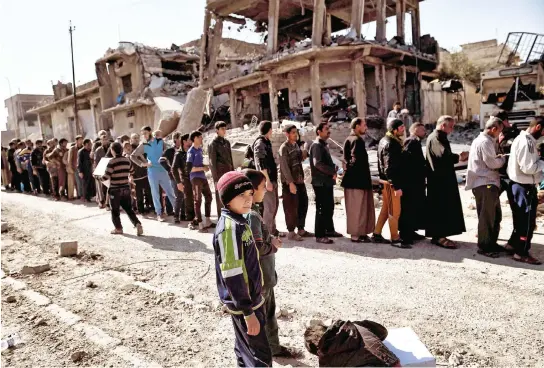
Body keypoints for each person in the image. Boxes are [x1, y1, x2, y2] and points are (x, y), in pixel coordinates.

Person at [212, 171, 272, 367]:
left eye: (250, 194)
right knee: (259, 358)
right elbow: (233, 275)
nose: (248, 200)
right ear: (227, 200)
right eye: (241, 196)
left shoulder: (240, 220)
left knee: (245, 351)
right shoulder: (229, 229)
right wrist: (247, 312)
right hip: (245, 305)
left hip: (250, 301)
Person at [244, 169, 298, 358]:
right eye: (262, 187)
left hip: (265, 276)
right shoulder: (251, 215)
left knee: (268, 314)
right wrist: (273, 245)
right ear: (251, 190)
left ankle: (272, 348)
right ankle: (266, 351)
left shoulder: (252, 212)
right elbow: (257, 248)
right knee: (264, 316)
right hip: (262, 277)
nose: (266, 190)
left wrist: (270, 238)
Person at [465, 117, 507, 258]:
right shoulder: (484, 142)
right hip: (485, 183)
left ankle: (491, 243)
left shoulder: (484, 141)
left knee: (495, 216)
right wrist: (502, 159)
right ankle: (484, 246)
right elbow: (492, 163)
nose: (499, 134)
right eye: (499, 131)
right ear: (494, 129)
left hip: (487, 183)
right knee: (487, 217)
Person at [506, 116, 544, 265]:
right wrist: (542, 163)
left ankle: (513, 245)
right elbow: (528, 168)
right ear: (539, 127)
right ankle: (521, 252)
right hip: (523, 187)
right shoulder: (526, 142)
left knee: (520, 220)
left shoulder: (525, 140)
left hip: (521, 186)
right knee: (527, 222)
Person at [426, 115, 468, 249]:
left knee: (443, 207)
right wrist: (460, 157)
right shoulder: (436, 138)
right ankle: (439, 236)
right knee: (441, 208)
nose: (452, 129)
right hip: (439, 180)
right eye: (451, 126)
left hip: (442, 178)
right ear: (443, 125)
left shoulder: (439, 137)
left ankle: (438, 235)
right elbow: (443, 155)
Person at [131, 127, 177, 222]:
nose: (144, 135)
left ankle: (178, 211)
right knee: (155, 193)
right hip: (152, 171)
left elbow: (171, 149)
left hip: (163, 170)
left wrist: (168, 161)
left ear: (150, 132)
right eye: (143, 134)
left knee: (170, 192)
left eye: (146, 133)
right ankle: (159, 214)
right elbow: (132, 156)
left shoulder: (160, 141)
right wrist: (142, 164)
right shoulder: (144, 144)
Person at [373, 119, 407, 248]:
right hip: (391, 183)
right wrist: (396, 186)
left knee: (386, 208)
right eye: (401, 127)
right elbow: (389, 168)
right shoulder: (391, 144)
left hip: (386, 182)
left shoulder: (385, 140)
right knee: (394, 211)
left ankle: (377, 233)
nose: (403, 129)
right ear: (394, 130)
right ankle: (395, 238)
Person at [341, 118, 375, 243]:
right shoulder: (355, 140)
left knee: (361, 209)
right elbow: (353, 161)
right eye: (364, 125)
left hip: (358, 181)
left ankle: (361, 233)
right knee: (356, 209)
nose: (366, 128)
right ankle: (356, 235)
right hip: (356, 182)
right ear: (356, 126)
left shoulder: (353, 139)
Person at [101, 142, 143, 236]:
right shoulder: (127, 160)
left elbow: (106, 176)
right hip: (125, 188)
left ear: (112, 151)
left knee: (115, 211)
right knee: (129, 209)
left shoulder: (111, 162)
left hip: (115, 189)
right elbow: (132, 171)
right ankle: (137, 224)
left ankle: (118, 228)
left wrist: (98, 177)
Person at [278, 124, 312, 241]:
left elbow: (300, 159)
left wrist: (304, 152)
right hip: (290, 183)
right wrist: (291, 183)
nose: (295, 134)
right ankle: (291, 232)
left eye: (295, 132)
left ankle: (301, 229)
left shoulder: (296, 145)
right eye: (292, 132)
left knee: (303, 204)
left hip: (299, 180)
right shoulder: (284, 148)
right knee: (291, 207)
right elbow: (284, 167)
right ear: (287, 134)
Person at [309, 122, 341, 244]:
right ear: (319, 131)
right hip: (320, 182)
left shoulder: (323, 145)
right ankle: (320, 235)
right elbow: (318, 164)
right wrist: (331, 171)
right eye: (326, 129)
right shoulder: (317, 145)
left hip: (326, 182)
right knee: (322, 208)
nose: (329, 131)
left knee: (329, 207)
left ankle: (329, 230)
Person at [398, 122, 428, 245]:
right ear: (415, 130)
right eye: (422, 130)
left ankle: (411, 231)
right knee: (409, 207)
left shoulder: (414, 141)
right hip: (411, 182)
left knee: (415, 207)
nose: (425, 132)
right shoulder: (411, 142)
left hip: (415, 181)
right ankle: (405, 233)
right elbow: (409, 162)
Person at [254, 121, 283, 237]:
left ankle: (272, 230)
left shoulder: (266, 142)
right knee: (269, 207)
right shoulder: (260, 143)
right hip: (266, 180)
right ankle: (268, 234)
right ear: (269, 130)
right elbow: (261, 165)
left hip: (272, 179)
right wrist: (267, 181)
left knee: (274, 206)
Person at [187, 130, 214, 230]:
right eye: (200, 137)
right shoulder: (191, 152)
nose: (202, 139)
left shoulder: (200, 150)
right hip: (195, 178)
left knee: (209, 197)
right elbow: (190, 168)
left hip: (203, 177)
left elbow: (199, 164)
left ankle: (208, 220)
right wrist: (203, 168)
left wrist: (206, 166)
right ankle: (200, 223)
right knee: (197, 200)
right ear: (195, 138)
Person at [208, 121, 234, 217]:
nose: (224, 131)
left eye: (225, 128)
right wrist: (215, 179)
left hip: (228, 173)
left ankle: (230, 217)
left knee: (229, 196)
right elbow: (212, 163)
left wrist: (233, 172)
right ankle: (222, 219)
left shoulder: (226, 142)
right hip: (219, 174)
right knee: (220, 197)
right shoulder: (213, 144)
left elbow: (230, 159)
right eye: (222, 129)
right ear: (217, 130)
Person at [160, 132, 184, 220]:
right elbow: (161, 160)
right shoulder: (169, 151)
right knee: (177, 195)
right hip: (174, 176)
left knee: (183, 195)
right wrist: (170, 169)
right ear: (175, 140)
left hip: (183, 176)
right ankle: (174, 214)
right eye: (180, 138)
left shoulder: (183, 150)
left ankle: (183, 214)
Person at [172, 133, 195, 222]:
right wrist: (178, 182)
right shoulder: (178, 154)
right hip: (184, 179)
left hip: (193, 179)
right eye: (189, 140)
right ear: (184, 141)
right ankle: (177, 216)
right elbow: (173, 169)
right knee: (182, 198)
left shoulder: (192, 152)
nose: (191, 141)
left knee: (192, 199)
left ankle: (189, 216)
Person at [129, 133, 153, 214]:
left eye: (137, 138)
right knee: (138, 195)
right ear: (131, 139)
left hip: (144, 173)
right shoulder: (129, 149)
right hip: (135, 175)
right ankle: (140, 209)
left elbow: (147, 159)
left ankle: (148, 207)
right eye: (134, 138)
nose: (136, 139)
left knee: (148, 192)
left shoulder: (142, 148)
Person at [94, 133, 113, 209]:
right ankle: (102, 202)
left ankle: (110, 203)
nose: (105, 141)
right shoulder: (98, 150)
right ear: (101, 141)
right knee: (102, 188)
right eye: (103, 140)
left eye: (106, 139)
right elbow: (96, 161)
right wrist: (97, 171)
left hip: (110, 170)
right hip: (101, 170)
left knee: (110, 186)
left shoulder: (111, 148)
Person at [66, 135, 83, 200]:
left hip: (82, 167)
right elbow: (69, 159)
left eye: (82, 139)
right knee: (78, 182)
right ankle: (80, 194)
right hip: (75, 167)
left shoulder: (83, 147)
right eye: (80, 139)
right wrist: (70, 167)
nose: (81, 141)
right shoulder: (72, 148)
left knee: (83, 181)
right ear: (76, 140)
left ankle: (83, 194)